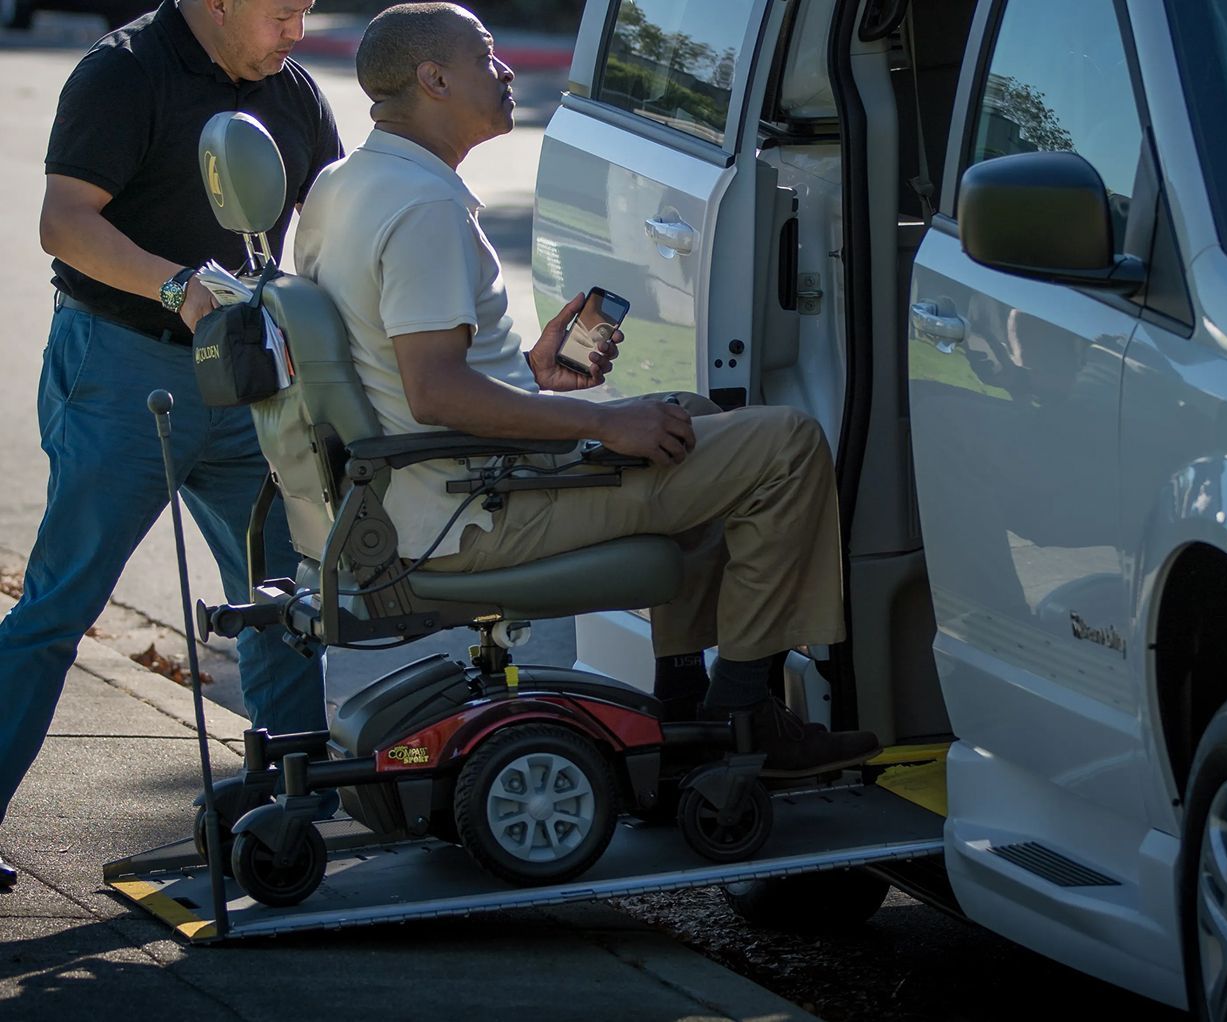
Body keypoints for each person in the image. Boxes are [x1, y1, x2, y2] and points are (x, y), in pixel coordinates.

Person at [294, 2, 880, 779]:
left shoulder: (346, 183)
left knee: (691, 421)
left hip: (426, 489)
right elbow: (433, 394)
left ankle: (682, 695)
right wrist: (599, 424)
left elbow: (400, 378)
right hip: (473, 510)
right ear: (433, 79)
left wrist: (531, 378)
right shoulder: (423, 208)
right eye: (485, 56)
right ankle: (745, 714)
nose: (505, 73)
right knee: (786, 445)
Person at [0, 0, 342, 891]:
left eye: (307, 10)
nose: (297, 31)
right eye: (283, 11)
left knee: (279, 599)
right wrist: (179, 284)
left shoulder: (292, 93)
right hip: (124, 372)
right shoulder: (123, 72)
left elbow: (336, 233)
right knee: (59, 605)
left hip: (249, 385)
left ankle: (289, 820)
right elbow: (65, 222)